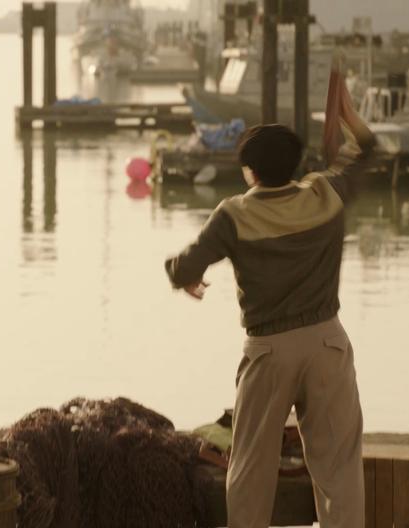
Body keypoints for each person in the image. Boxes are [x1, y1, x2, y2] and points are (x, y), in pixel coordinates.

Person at [163, 80, 376, 528]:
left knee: (251, 470)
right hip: (328, 344)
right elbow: (368, 148)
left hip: (269, 350)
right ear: (295, 165)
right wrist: (346, 114)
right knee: (339, 470)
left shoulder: (234, 214)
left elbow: (185, 268)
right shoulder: (325, 194)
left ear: (249, 171)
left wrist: (183, 275)